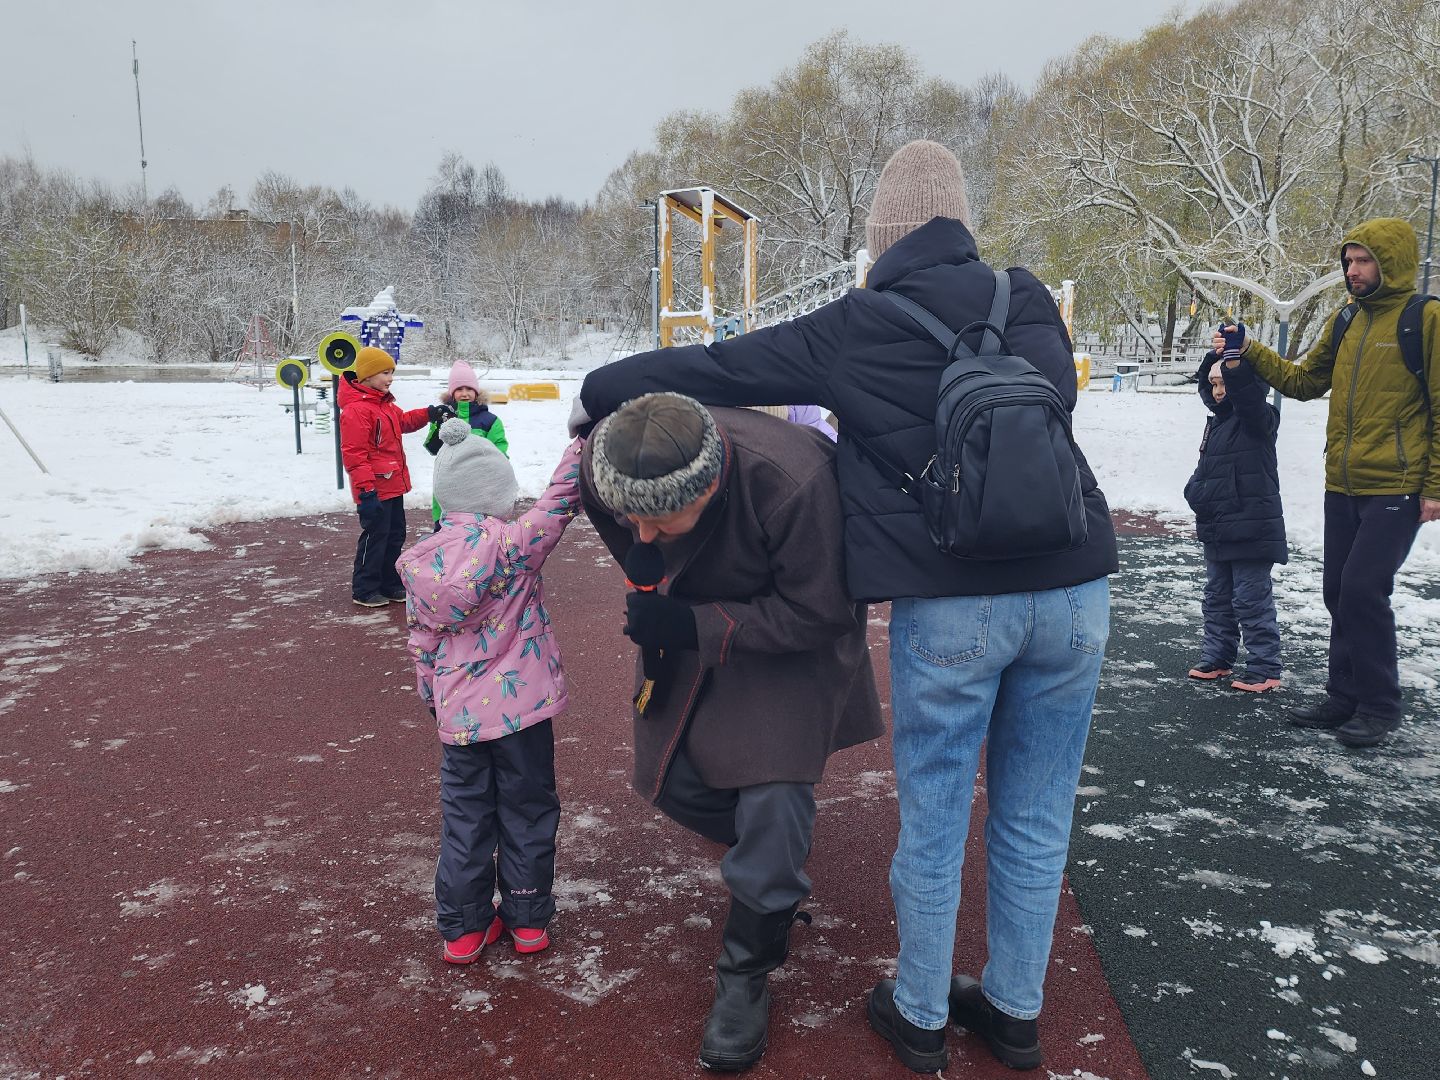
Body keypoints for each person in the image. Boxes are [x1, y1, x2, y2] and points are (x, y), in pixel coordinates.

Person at [571, 141, 1116, 1073]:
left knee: (939, 816)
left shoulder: (858, 324)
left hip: (953, 604)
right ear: (962, 226)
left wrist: (599, 394)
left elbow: (718, 368)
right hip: (1076, 592)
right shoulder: (1025, 299)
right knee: (1036, 815)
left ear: (881, 237)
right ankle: (1017, 1015)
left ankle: (920, 1015)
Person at [578, 392, 883, 1072]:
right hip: (692, 624)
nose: (643, 532)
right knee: (670, 777)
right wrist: (647, 568)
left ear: (710, 484)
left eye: (659, 520)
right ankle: (769, 864)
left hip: (791, 637)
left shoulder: (794, 480)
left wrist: (698, 625)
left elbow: (822, 611)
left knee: (773, 793)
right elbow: (623, 521)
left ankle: (747, 967)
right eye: (635, 517)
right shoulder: (606, 463)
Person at [1215, 217, 1440, 748]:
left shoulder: (1424, 319)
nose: (1353, 271)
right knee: (1338, 590)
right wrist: (1250, 350)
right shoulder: (1346, 320)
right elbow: (1303, 381)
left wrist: (1434, 485)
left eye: (1364, 261)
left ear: (1392, 263)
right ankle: (1344, 697)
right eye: (1349, 261)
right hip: (1342, 480)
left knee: (1364, 588)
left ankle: (1381, 705)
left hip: (1397, 482)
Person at [398, 418, 583, 964]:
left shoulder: (421, 565)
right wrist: (580, 441)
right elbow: (559, 500)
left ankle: (462, 929)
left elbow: (422, 643)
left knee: (465, 820)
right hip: (522, 715)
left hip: (459, 721)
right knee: (527, 811)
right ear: (499, 493)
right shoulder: (514, 545)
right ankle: (528, 921)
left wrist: (434, 697)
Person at [1182, 342, 1287, 692]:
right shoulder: (1216, 424)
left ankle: (1264, 666)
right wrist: (1195, 491)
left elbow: (1248, 399)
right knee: (1217, 597)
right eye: (1212, 383)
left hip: (1252, 527)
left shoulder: (1259, 419)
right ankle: (1218, 657)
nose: (1218, 390)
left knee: (1250, 598)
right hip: (1218, 525)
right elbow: (1205, 469)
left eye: (1225, 382)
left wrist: (1235, 366)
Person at [339, 346, 449, 607]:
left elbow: (405, 422)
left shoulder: (385, 405)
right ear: (366, 376)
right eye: (384, 373)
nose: (390, 378)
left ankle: (389, 581)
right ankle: (364, 587)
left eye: (391, 373)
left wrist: (429, 413)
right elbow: (355, 455)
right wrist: (365, 491)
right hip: (373, 488)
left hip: (393, 484)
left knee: (395, 534)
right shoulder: (357, 411)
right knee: (375, 536)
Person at [424, 360, 509, 526]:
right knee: (447, 538)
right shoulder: (444, 417)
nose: (465, 393)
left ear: (476, 391)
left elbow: (500, 452)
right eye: (459, 389)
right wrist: (438, 425)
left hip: (479, 484)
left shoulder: (490, 421)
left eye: (469, 388)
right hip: (448, 484)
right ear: (452, 393)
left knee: (478, 536)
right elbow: (432, 448)